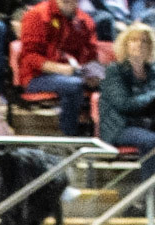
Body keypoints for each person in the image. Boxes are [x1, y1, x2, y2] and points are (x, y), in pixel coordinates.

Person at [99, 22, 155, 195]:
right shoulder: (115, 71)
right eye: (134, 40)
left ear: (151, 47)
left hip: (148, 125)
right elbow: (123, 104)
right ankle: (148, 194)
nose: (139, 44)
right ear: (125, 44)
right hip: (120, 126)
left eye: (144, 41)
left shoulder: (154, 72)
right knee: (151, 141)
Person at [18, 0, 103, 136]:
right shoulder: (37, 15)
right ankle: (69, 136)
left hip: (76, 73)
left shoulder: (84, 20)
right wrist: (63, 69)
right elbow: (30, 57)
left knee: (109, 84)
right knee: (74, 85)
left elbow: (92, 55)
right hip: (36, 77)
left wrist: (96, 74)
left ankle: (104, 136)